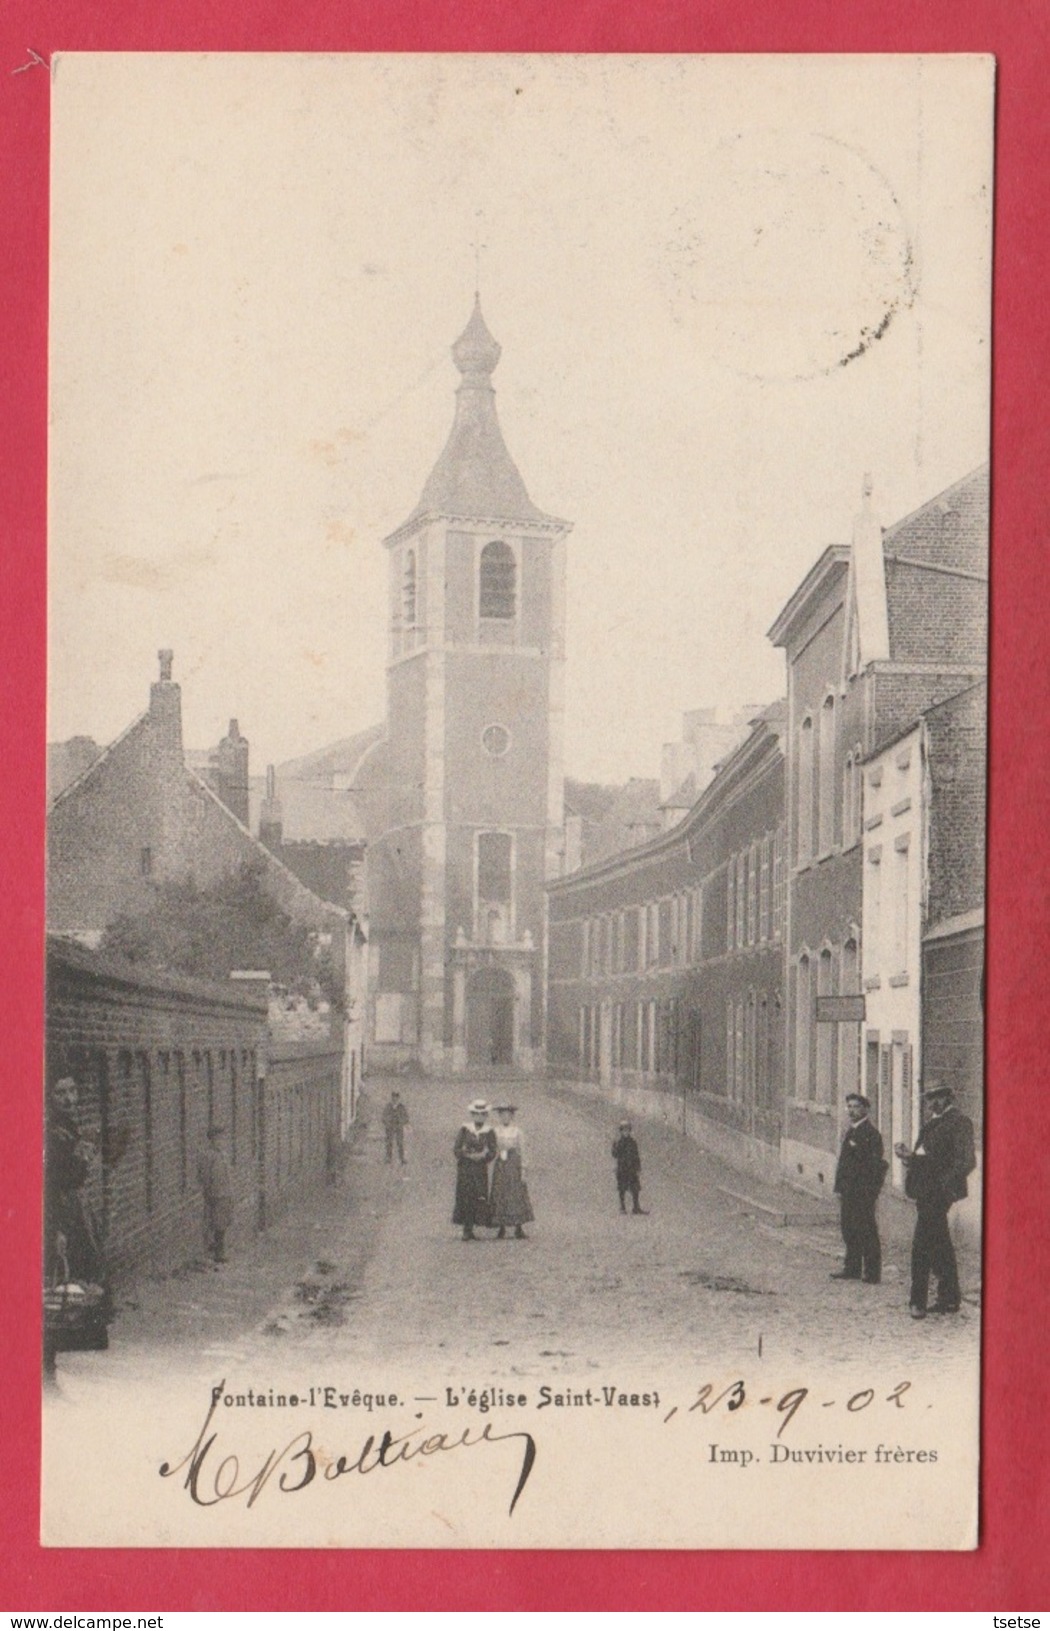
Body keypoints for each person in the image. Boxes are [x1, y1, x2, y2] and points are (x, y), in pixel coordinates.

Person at [895, 1081, 976, 1319]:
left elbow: (966, 1161)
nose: (932, 1102)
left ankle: (917, 1301)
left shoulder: (959, 1122)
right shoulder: (932, 1122)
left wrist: (944, 1185)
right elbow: (927, 1158)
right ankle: (950, 1298)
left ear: (949, 1097)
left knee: (921, 1246)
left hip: (938, 1195)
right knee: (940, 1245)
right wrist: (909, 1158)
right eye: (929, 1098)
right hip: (925, 1191)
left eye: (938, 1097)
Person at [44, 1075, 110, 1360]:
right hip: (55, 1215)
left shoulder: (67, 1128)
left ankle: (50, 1369)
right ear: (48, 1096)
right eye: (61, 1092)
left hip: (72, 1212)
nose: (70, 1099)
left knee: (70, 1288)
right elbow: (49, 1182)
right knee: (53, 1289)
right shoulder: (48, 1131)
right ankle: (44, 1369)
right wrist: (55, 1228)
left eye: (73, 1090)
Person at [831, 1091, 887, 1284]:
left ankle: (872, 1272)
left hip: (862, 1192)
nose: (852, 1111)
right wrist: (839, 1187)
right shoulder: (851, 1131)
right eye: (850, 1107)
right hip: (848, 1190)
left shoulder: (871, 1134)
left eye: (856, 1107)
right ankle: (852, 1268)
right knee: (849, 1229)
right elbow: (844, 1164)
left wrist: (870, 1191)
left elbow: (874, 1166)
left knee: (867, 1230)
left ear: (865, 1109)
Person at [453, 1100, 496, 1241]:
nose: (479, 1117)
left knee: (478, 1196)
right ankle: (466, 1229)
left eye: (482, 1114)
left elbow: (493, 1151)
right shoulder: (465, 1129)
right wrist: (466, 1155)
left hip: (479, 1169)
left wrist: (483, 1157)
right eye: (476, 1114)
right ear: (472, 1115)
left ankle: (472, 1227)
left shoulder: (489, 1131)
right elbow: (457, 1149)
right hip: (466, 1168)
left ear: (486, 1116)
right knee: (465, 1195)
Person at [489, 1104, 534, 1240]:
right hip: (501, 1164)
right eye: (502, 1115)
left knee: (515, 1192)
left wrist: (523, 1168)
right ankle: (501, 1227)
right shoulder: (495, 1131)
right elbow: (492, 1148)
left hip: (513, 1164)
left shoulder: (517, 1131)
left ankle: (518, 1227)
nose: (505, 1118)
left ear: (512, 1116)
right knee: (501, 1192)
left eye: (507, 1115)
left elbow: (523, 1150)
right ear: (499, 1117)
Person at [197, 1124, 234, 1265]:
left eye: (222, 1138)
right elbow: (205, 1176)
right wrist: (208, 1192)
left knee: (223, 1223)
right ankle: (216, 1253)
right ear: (212, 1140)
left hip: (225, 1193)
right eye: (218, 1139)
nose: (221, 1141)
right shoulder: (208, 1155)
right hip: (215, 1194)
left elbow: (227, 1174)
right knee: (215, 1223)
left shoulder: (223, 1154)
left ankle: (219, 1250)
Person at [612, 1119, 644, 1214]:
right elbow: (615, 1154)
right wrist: (615, 1146)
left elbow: (636, 1155)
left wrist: (638, 1166)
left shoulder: (632, 1142)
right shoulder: (619, 1142)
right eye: (624, 1130)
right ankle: (622, 1207)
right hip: (622, 1169)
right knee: (622, 1188)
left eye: (628, 1130)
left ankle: (636, 1207)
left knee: (635, 1188)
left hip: (632, 1169)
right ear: (621, 1131)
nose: (626, 1132)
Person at [381, 1089, 410, 1165]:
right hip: (390, 1127)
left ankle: (402, 1158)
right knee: (389, 1142)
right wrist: (387, 1122)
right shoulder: (388, 1106)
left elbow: (406, 1117)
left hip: (398, 1127)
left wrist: (401, 1122)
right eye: (393, 1097)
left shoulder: (401, 1107)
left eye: (396, 1097)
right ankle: (388, 1158)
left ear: (398, 1098)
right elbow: (384, 1117)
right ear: (392, 1098)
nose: (395, 1099)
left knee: (400, 1143)